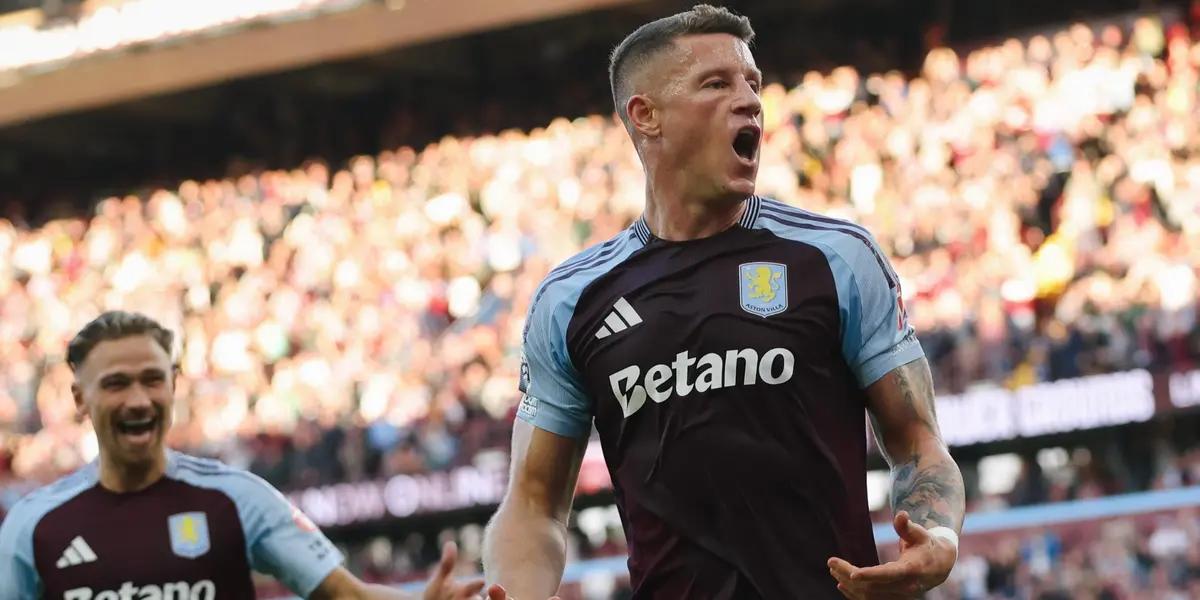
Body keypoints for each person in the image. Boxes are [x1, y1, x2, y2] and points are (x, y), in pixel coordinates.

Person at [482, 5, 965, 599]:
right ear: (646, 115)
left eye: (753, 83)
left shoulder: (837, 258)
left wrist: (938, 534)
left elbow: (918, 442)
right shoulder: (571, 301)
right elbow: (534, 503)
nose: (750, 101)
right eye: (717, 83)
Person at [0, 311, 501, 600]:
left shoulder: (237, 499)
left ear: (174, 385)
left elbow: (345, 595)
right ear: (80, 398)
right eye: (116, 384)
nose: (138, 400)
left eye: (153, 380)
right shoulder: (33, 526)